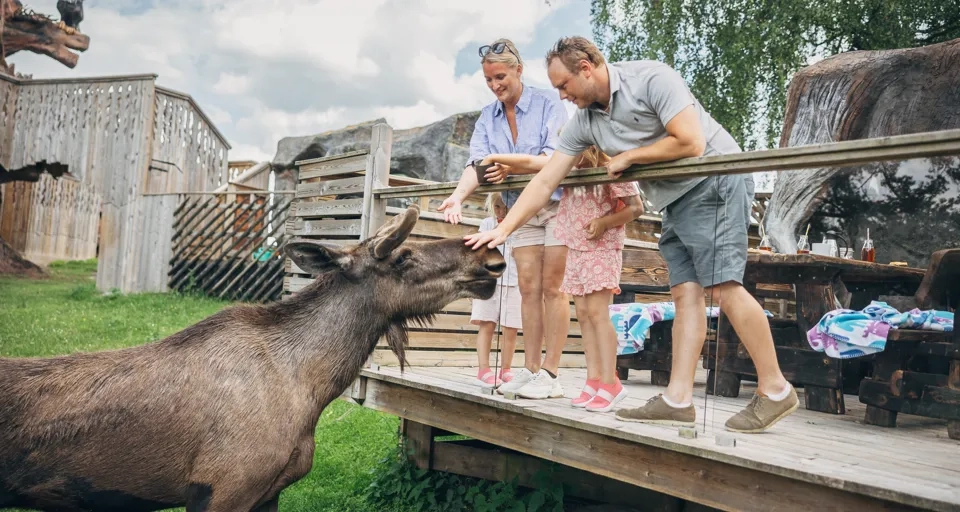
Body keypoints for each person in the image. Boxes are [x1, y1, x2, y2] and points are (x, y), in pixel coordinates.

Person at [464, 36, 799, 433]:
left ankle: (775, 388)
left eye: (564, 85)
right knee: (685, 294)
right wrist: (502, 230)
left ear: (586, 67)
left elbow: (690, 140)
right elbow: (544, 181)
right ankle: (677, 399)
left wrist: (631, 157)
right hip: (675, 199)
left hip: (714, 180)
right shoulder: (585, 121)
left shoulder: (652, 78)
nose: (561, 96)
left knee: (722, 286)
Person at [438, 38, 571, 400]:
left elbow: (554, 159)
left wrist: (505, 161)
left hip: (558, 204)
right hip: (519, 210)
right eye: (489, 81)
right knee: (527, 289)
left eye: (501, 77)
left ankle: (551, 373)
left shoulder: (548, 104)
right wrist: (457, 197)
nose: (496, 86)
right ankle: (529, 371)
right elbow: (477, 166)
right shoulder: (488, 116)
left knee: (552, 288)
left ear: (518, 70)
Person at [480, 146, 645, 410]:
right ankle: (593, 380)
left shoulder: (613, 168)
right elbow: (533, 166)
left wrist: (604, 223)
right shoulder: (568, 171)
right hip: (576, 249)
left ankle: (610, 381)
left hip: (601, 249)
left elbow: (636, 208)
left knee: (597, 313)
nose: (563, 152)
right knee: (582, 312)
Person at [470, 193, 521, 388]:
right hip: (488, 282)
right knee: (487, 324)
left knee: (511, 328)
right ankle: (484, 369)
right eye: (498, 207)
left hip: (515, 282)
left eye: (506, 207)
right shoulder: (486, 224)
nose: (501, 211)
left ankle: (506, 369)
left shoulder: (522, 225)